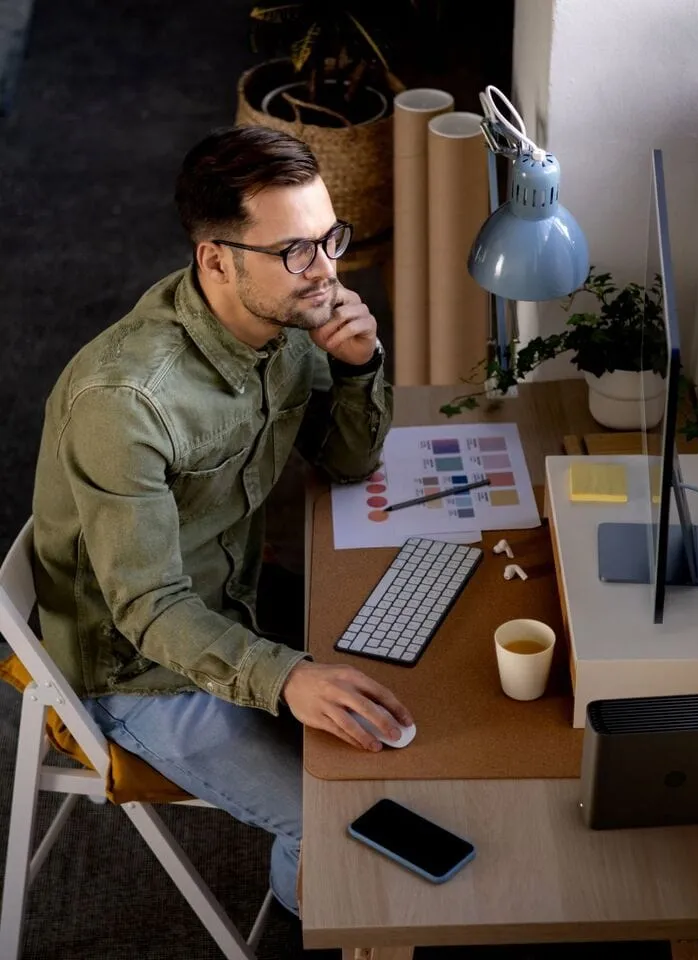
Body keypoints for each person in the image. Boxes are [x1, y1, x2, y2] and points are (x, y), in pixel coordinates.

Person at [31, 125, 413, 916]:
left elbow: (345, 464)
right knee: (343, 822)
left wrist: (359, 367)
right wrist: (287, 677)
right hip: (140, 675)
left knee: (418, 702)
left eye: (328, 238)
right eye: (295, 251)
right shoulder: (125, 403)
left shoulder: (288, 322)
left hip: (234, 598)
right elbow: (147, 609)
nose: (326, 272)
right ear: (216, 260)